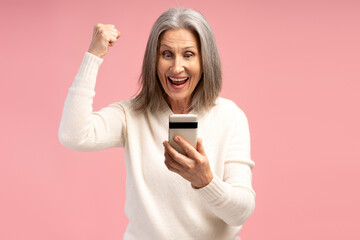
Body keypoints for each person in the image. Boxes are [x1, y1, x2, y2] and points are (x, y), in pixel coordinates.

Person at [59, 8, 255, 240]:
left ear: (205, 60)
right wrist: (93, 56)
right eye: (167, 54)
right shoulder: (132, 114)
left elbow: (240, 213)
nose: (176, 67)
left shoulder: (230, 117)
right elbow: (73, 134)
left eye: (189, 54)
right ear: (154, 59)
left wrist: (206, 181)